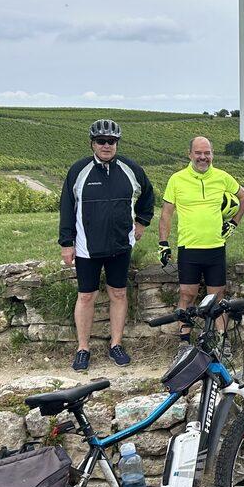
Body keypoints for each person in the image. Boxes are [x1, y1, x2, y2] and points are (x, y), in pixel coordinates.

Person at [59, 119, 155, 371]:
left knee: (119, 294)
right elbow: (67, 208)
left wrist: (142, 222)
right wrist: (66, 243)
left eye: (111, 141)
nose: (106, 145)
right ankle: (83, 348)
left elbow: (148, 195)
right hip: (86, 247)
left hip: (121, 244)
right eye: (101, 141)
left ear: (116, 144)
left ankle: (116, 345)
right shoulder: (78, 171)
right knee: (86, 295)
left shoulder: (130, 169)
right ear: (92, 143)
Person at [158, 136, 244, 348]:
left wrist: (234, 223)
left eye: (207, 153)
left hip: (215, 247)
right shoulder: (177, 179)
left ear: (212, 155)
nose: (203, 157)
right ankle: (184, 343)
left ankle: (221, 342)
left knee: (217, 299)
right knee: (186, 296)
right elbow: (166, 214)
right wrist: (163, 243)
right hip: (189, 248)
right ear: (189, 154)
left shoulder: (222, 177)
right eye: (198, 153)